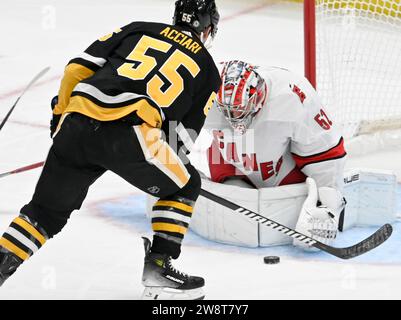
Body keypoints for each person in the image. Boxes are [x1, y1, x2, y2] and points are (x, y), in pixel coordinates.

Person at [0, 0, 221, 300]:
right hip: (131, 133)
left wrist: (60, 119)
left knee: (43, 214)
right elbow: (181, 138)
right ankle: (158, 267)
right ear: (208, 29)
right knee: (186, 184)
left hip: (77, 121)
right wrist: (170, 182)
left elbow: (76, 70)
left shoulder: (138, 28)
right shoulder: (207, 70)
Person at [204, 60, 346, 249]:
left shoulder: (293, 96)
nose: (233, 119)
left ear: (259, 96)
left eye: (239, 111)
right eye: (227, 111)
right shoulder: (204, 85)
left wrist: (327, 206)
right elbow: (173, 131)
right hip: (229, 158)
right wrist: (171, 166)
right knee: (236, 210)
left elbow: (326, 153)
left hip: (279, 169)